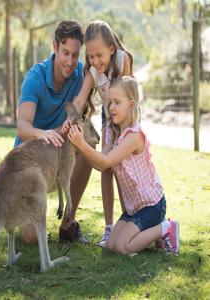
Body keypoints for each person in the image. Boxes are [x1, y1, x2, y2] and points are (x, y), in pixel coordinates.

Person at [67, 76, 180, 255]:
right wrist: (80, 146)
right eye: (110, 102)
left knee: (123, 248)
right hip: (133, 208)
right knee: (112, 246)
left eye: (117, 102)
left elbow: (105, 162)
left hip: (151, 205)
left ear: (131, 103)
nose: (111, 107)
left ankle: (166, 227)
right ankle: (151, 235)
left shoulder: (134, 137)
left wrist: (81, 144)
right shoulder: (113, 130)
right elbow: (101, 165)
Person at [14, 20, 93, 244]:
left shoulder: (80, 73)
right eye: (65, 52)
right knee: (31, 239)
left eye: (75, 55)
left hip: (60, 156)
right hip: (30, 163)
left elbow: (104, 66)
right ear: (55, 47)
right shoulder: (35, 78)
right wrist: (43, 134)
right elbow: (23, 127)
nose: (70, 62)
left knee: (88, 143)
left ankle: (68, 223)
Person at [63, 20, 133, 247]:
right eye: (91, 56)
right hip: (108, 118)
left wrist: (122, 128)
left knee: (123, 166)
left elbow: (128, 95)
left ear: (111, 49)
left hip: (128, 116)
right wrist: (70, 117)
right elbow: (81, 97)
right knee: (105, 165)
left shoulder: (123, 60)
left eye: (99, 55)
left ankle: (129, 220)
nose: (95, 61)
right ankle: (109, 227)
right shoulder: (93, 71)